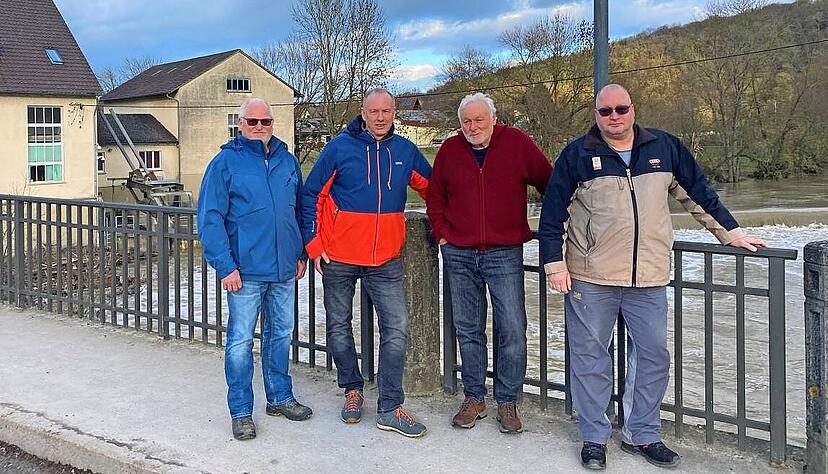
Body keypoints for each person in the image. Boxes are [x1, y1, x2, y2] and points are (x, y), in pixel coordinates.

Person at [538, 84, 767, 470]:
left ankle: (641, 434)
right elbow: (553, 212)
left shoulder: (665, 147)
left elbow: (698, 195)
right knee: (591, 358)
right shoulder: (578, 154)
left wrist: (731, 233)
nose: (614, 116)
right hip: (591, 276)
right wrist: (554, 264)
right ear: (596, 114)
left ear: (633, 110)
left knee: (653, 356)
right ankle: (594, 437)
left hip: (649, 275)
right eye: (605, 110)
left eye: (621, 109)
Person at [299, 88, 431, 438]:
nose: (380, 117)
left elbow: (436, 190)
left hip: (386, 259)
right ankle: (352, 389)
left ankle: (389, 407)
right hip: (339, 256)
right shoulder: (340, 148)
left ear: (393, 114)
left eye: (386, 111)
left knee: (397, 328)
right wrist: (314, 243)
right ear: (363, 112)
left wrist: (451, 228)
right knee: (339, 326)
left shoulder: (405, 151)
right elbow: (312, 194)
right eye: (374, 111)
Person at [425, 92, 552, 434]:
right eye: (467, 121)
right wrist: (441, 234)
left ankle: (507, 400)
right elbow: (435, 196)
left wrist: (555, 225)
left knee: (512, 326)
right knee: (468, 328)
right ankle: (474, 397)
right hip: (459, 252)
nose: (473, 126)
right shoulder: (450, 150)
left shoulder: (517, 143)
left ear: (494, 119)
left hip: (504, 251)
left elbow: (549, 182)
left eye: (480, 119)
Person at [197, 98, 312, 441]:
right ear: (240, 124)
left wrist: (300, 252)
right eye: (253, 122)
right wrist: (225, 266)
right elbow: (210, 218)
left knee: (280, 335)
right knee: (240, 341)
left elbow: (298, 209)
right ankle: (241, 411)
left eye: (266, 121)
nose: (260, 127)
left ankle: (279, 397)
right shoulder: (225, 163)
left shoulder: (287, 161)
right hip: (243, 272)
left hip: (283, 269)